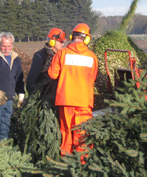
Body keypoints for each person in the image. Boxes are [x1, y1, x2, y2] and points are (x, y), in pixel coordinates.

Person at [48, 23, 98, 159]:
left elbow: (52, 75)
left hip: (65, 100)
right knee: (83, 135)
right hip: (83, 102)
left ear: (72, 36)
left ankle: (65, 165)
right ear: (87, 39)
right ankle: (83, 166)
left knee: (66, 133)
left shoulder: (61, 53)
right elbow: (92, 78)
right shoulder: (92, 56)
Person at [26, 28, 67, 94]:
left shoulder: (62, 56)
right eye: (61, 42)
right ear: (52, 42)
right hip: (43, 94)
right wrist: (33, 97)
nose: (63, 44)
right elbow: (32, 79)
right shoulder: (40, 56)